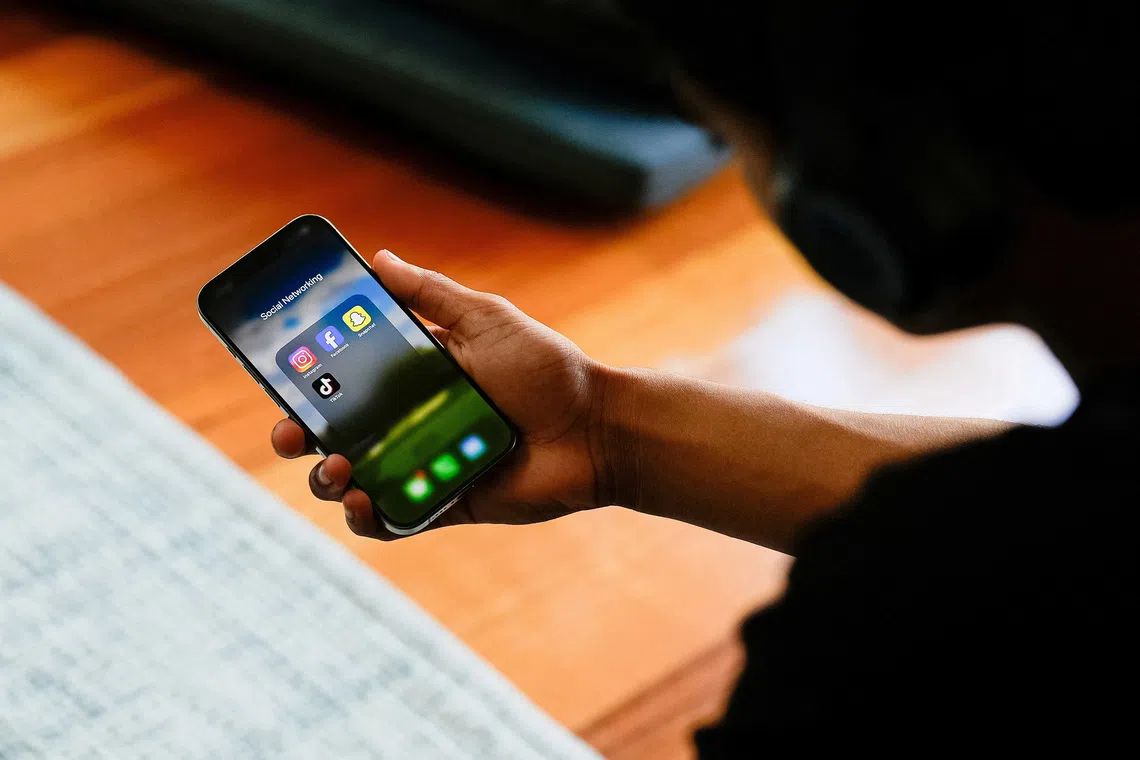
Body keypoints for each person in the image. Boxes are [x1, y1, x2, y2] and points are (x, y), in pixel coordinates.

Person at [271, 1, 1138, 750]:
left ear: (881, 195)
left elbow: (1006, 537)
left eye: (731, 141)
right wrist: (605, 428)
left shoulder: (899, 636)